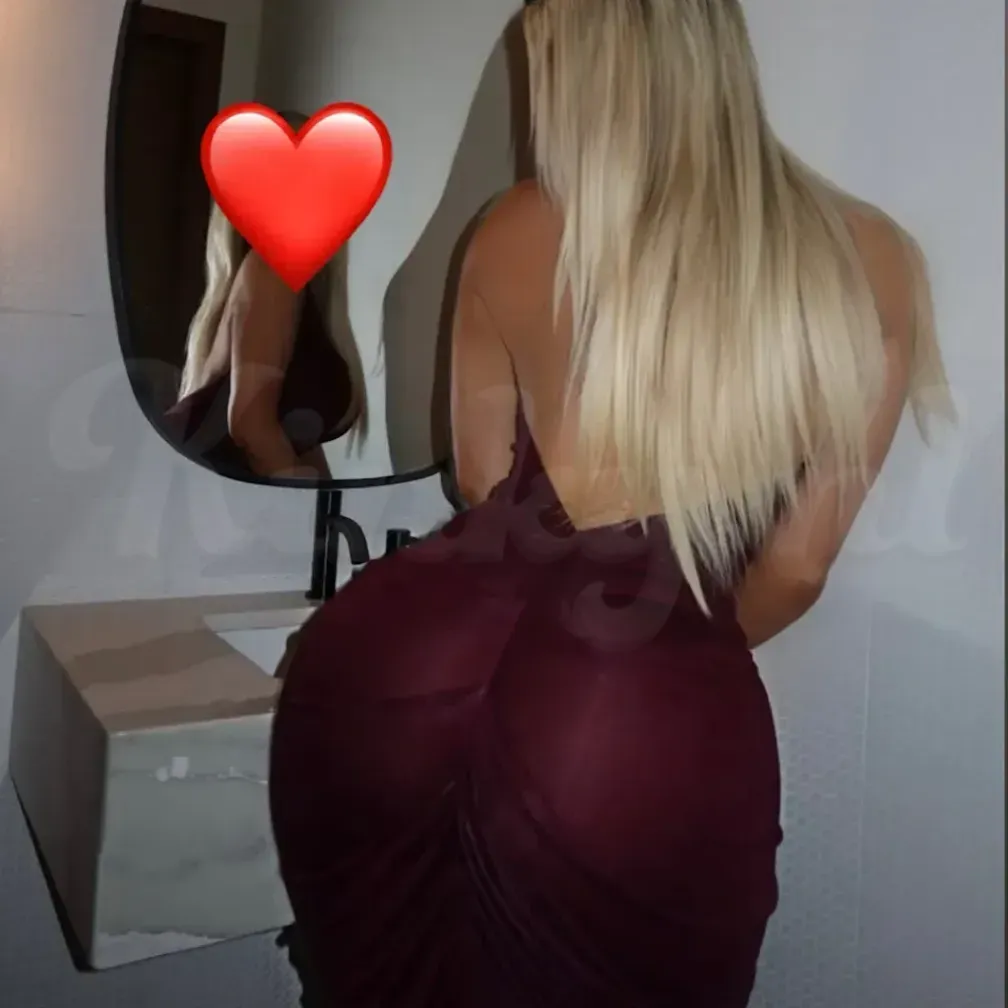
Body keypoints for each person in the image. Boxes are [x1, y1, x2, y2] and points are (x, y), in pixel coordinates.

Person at [268, 2, 955, 1005]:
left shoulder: (510, 226)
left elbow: (481, 481)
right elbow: (798, 568)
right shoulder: (867, 253)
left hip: (395, 657)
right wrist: (663, 639)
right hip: (631, 699)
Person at [162, 112, 367, 480]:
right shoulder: (272, 268)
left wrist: (328, 501)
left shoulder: (284, 280)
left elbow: (292, 439)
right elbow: (251, 427)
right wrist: (311, 509)